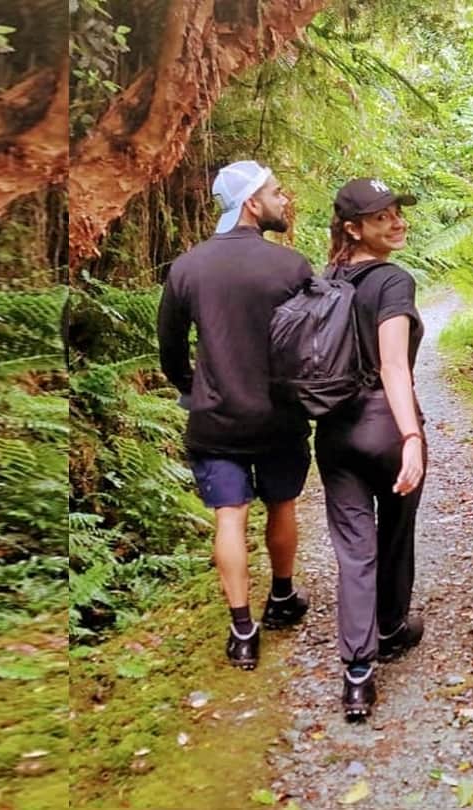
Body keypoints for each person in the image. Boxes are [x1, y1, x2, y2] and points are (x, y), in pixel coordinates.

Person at [157, 160, 313, 670]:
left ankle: (242, 630)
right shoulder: (291, 267)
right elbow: (314, 344)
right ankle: (283, 598)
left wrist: (192, 387)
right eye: (273, 192)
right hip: (279, 416)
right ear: (251, 203)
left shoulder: (187, 268)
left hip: (215, 418)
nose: (282, 199)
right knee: (282, 506)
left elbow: (170, 347)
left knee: (230, 516)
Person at [318, 177, 427, 719]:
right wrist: (410, 437)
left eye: (397, 213)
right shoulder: (392, 282)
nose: (397, 222)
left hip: (335, 432)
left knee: (353, 549)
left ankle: (357, 675)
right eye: (382, 217)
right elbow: (393, 366)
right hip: (386, 426)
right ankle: (390, 627)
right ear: (354, 227)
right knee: (396, 532)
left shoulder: (325, 280)